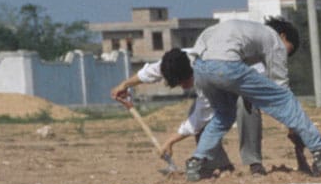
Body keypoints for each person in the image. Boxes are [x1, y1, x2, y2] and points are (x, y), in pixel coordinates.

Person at [158, 17, 321, 180]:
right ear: (283, 37)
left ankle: (197, 160)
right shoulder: (274, 39)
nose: (285, 55)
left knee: (223, 115)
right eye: (288, 50)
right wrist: (292, 124)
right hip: (226, 65)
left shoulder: (241, 32)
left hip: (200, 68)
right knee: (285, 99)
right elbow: (280, 88)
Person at [112, 55, 267, 175]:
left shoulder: (204, 76)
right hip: (218, 83)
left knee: (245, 105)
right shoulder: (175, 62)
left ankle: (254, 164)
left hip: (240, 81)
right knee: (195, 112)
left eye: (183, 83)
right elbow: (150, 72)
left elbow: (199, 119)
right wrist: (125, 85)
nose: (183, 87)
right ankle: (221, 165)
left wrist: (170, 141)